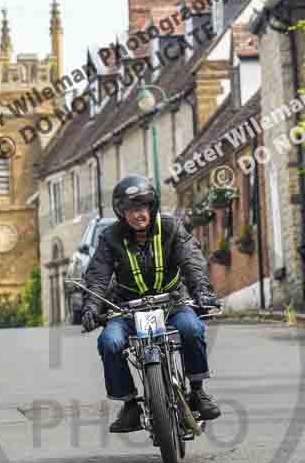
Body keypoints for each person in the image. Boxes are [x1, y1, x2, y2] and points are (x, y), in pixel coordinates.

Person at [80, 175, 222, 433]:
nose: (138, 214)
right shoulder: (109, 237)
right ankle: (129, 404)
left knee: (192, 329)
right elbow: (98, 275)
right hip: (127, 309)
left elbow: (191, 261)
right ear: (121, 213)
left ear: (152, 207)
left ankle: (198, 392)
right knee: (109, 342)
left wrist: (202, 291)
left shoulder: (171, 227)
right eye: (131, 209)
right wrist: (91, 307)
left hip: (172, 302)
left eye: (142, 207)